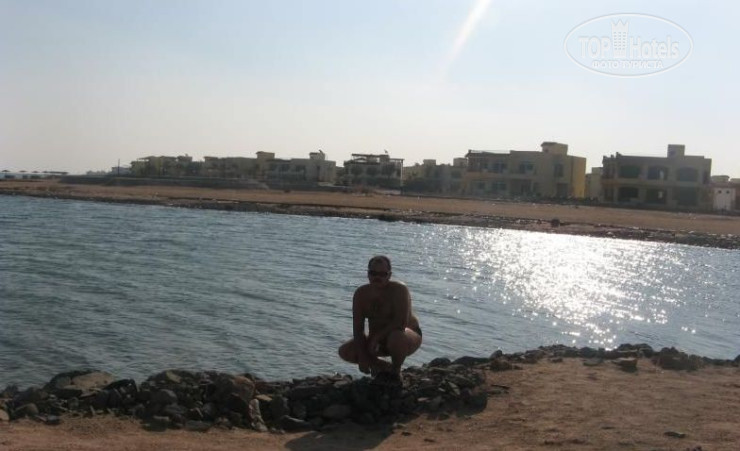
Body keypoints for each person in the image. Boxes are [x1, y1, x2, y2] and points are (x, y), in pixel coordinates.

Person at [338, 255, 422, 384]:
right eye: (373, 273)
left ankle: (396, 370)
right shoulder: (361, 294)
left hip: (405, 336)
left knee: (396, 337)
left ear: (389, 275)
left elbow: (401, 322)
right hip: (377, 341)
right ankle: (383, 368)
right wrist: (363, 356)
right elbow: (358, 328)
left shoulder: (399, 290)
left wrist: (376, 338)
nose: (377, 277)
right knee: (345, 351)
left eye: (382, 274)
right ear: (368, 274)